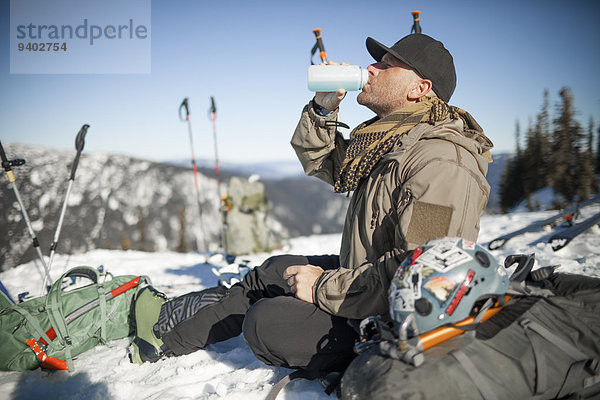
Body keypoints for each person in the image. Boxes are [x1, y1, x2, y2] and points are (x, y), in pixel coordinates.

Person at [130, 32, 493, 383]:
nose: (370, 69)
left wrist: (323, 286)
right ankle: (164, 328)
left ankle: (363, 366)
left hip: (392, 322)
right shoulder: (394, 140)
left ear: (419, 89)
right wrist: (323, 108)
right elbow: (326, 163)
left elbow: (422, 277)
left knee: (266, 323)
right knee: (274, 271)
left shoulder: (442, 165)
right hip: (366, 278)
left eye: (386, 65)